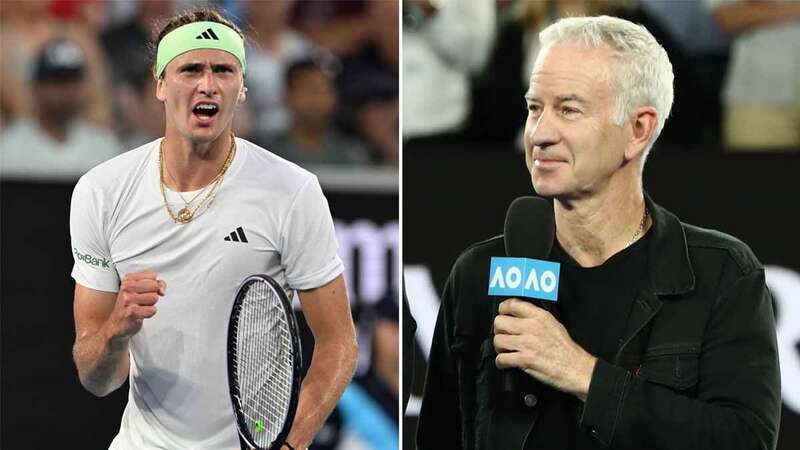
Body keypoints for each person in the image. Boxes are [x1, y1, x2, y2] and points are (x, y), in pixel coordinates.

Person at [417, 15, 781, 449]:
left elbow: (746, 440)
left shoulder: (720, 273)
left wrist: (584, 375)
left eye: (568, 109)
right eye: (535, 108)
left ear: (638, 130)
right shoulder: (479, 273)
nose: (539, 134)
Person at [69, 9, 357, 450]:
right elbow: (96, 378)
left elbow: (339, 343)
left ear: (241, 88)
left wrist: (292, 442)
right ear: (161, 85)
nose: (208, 84)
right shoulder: (101, 191)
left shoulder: (293, 191)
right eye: (190, 69)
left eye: (223, 69)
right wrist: (116, 330)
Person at [0, 37, 122, 180]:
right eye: (56, 82)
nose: (66, 91)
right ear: (36, 88)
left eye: (72, 81)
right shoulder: (10, 147)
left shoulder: (104, 147)